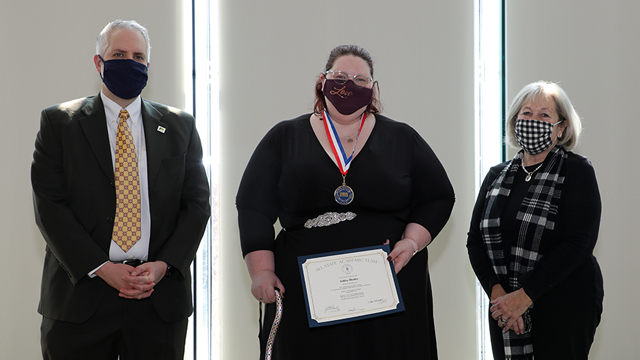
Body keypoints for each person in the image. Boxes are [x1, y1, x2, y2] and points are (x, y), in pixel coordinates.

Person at [236, 44, 455, 359]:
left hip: (390, 282)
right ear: (322, 81)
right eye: (340, 76)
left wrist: (412, 242)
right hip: (304, 286)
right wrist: (261, 271)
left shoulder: (403, 138)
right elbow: (253, 205)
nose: (349, 85)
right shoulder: (284, 137)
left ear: (373, 88)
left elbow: (438, 197)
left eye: (360, 80)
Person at [31, 19, 210, 359]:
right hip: (80, 299)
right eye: (119, 54)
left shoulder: (179, 126)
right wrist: (102, 267)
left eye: (138, 56)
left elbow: (197, 206)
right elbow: (49, 206)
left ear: (148, 65)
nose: (130, 62)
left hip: (157, 299)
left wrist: (162, 266)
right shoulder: (59, 124)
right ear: (99, 63)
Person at [466, 81, 603, 359]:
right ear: (515, 122)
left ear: (561, 127)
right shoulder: (496, 175)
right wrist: (501, 298)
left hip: (565, 303)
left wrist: (524, 297)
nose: (533, 120)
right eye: (526, 114)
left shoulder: (577, 170)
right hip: (504, 307)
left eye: (544, 115)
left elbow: (579, 242)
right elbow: (475, 241)